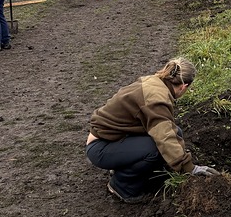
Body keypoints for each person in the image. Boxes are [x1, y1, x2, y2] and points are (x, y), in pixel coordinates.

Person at [85, 57, 220, 203]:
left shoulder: (154, 82)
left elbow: (168, 130)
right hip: (100, 147)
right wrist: (190, 168)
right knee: (157, 148)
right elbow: (165, 139)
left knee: (176, 133)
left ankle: (127, 168)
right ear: (183, 87)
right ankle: (122, 186)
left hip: (113, 139)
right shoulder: (157, 99)